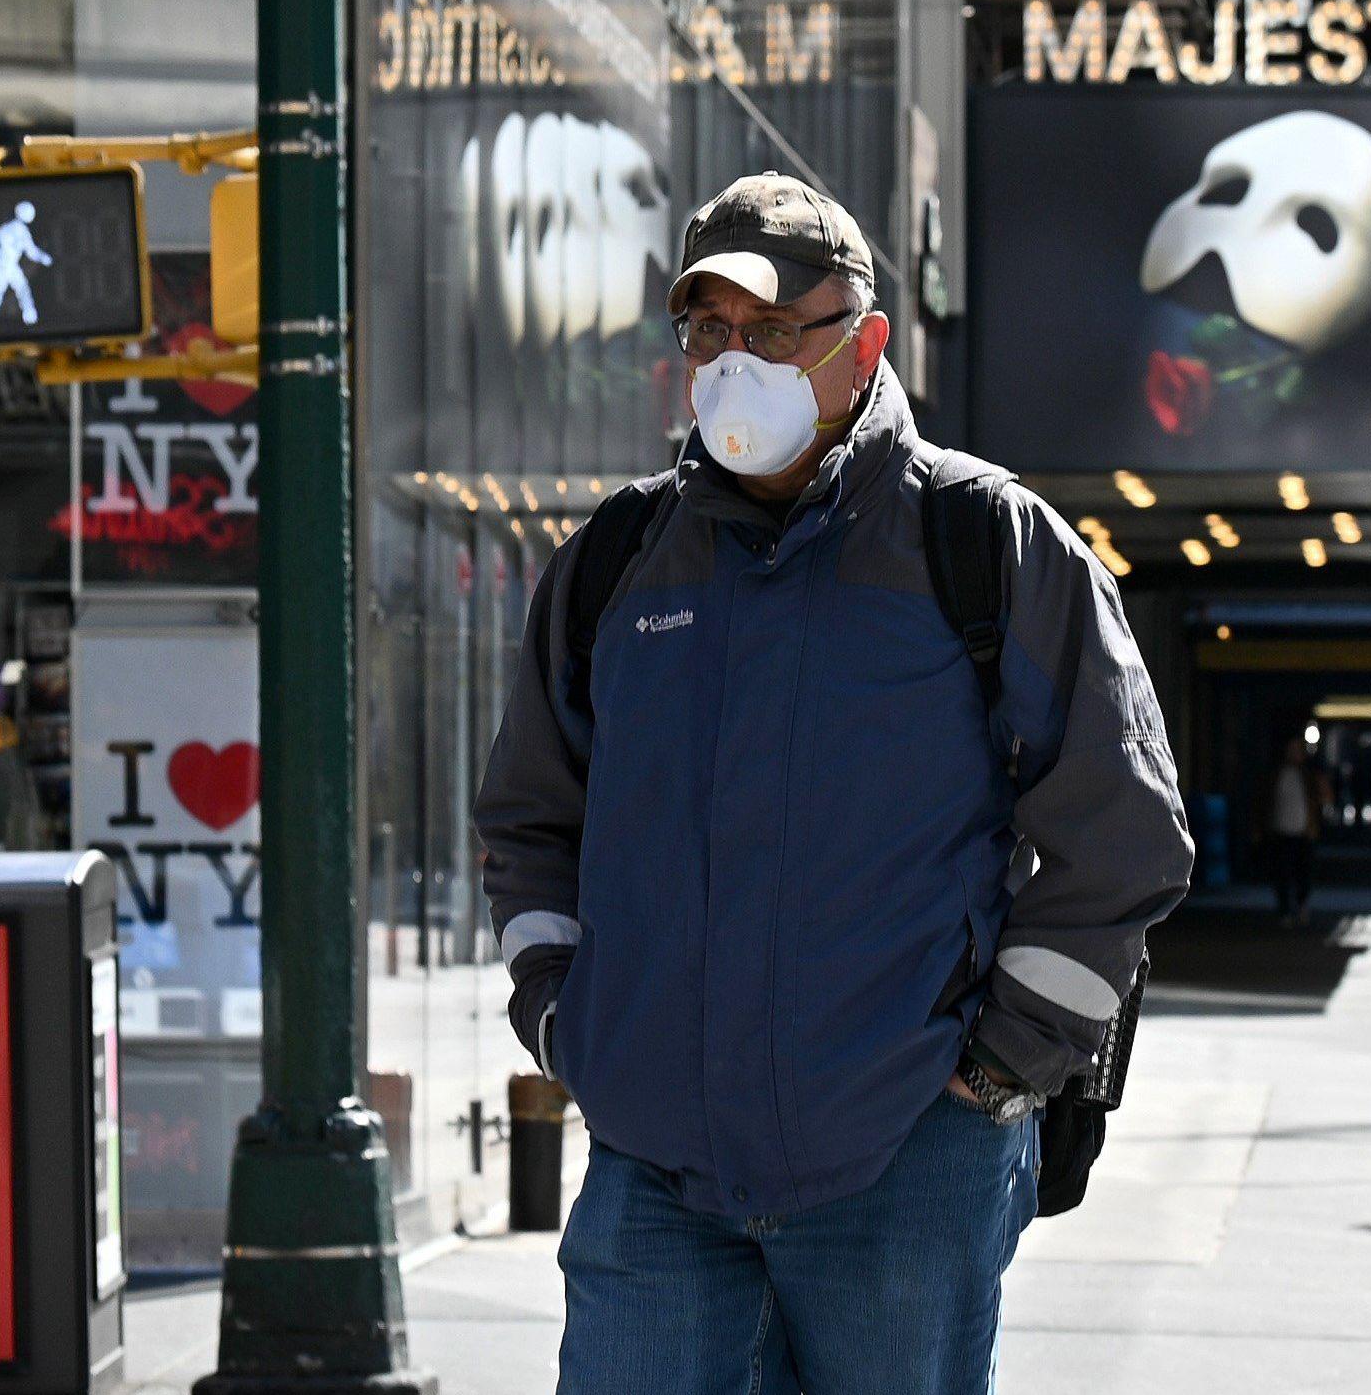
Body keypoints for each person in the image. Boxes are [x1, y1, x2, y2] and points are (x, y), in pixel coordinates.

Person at [478, 172, 1194, 1394]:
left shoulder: (986, 542)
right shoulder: (618, 559)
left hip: (905, 1165)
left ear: (862, 343)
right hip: (655, 1171)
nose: (729, 361)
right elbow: (533, 814)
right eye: (707, 329)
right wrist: (564, 1017)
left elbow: (1121, 830)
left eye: (767, 330)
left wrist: (1003, 1067)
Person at [1268, 735, 1324, 923]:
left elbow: (1319, 798)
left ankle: (1301, 905)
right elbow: (1265, 800)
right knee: (1282, 872)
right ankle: (1284, 909)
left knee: (1304, 872)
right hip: (1281, 829)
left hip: (1303, 831)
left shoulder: (1308, 775)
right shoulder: (1277, 774)